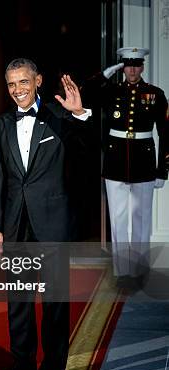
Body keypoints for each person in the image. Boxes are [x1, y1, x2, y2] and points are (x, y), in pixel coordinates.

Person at [0, 58, 92, 370]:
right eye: (11, 84)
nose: (17, 89)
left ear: (37, 81)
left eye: (23, 82)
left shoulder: (59, 115)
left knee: (54, 306)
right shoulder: (2, 122)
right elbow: (0, 179)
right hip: (16, 226)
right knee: (18, 302)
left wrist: (79, 116)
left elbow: (85, 152)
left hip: (52, 225)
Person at [83, 47, 168, 289]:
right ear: (123, 67)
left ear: (143, 66)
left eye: (136, 64)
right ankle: (123, 272)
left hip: (144, 161)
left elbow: (166, 133)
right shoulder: (111, 91)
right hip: (115, 160)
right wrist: (107, 73)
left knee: (141, 218)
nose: (132, 69)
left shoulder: (155, 94)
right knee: (118, 218)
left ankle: (140, 271)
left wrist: (163, 169)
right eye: (127, 65)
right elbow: (85, 93)